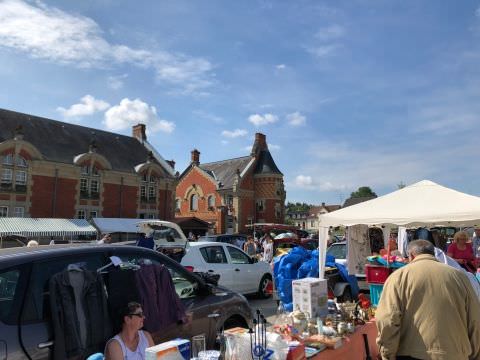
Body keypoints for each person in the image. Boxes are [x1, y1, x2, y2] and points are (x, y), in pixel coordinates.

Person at [376, 240, 480, 360]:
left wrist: (388, 354)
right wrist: (475, 355)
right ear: (433, 254)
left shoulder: (398, 277)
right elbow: (475, 320)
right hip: (455, 354)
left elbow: (387, 320)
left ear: (411, 255)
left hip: (411, 354)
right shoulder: (460, 277)